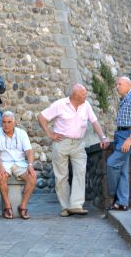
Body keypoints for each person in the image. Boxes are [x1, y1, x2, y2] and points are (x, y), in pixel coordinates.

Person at [38, 84, 110, 216]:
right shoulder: (60, 105)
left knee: (80, 172)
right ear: (75, 95)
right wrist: (50, 133)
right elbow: (41, 117)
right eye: (83, 93)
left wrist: (103, 137)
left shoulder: (86, 105)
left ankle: (76, 205)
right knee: (61, 176)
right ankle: (65, 207)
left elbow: (94, 122)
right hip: (61, 143)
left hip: (78, 144)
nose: (86, 95)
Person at [0, 111, 37, 219]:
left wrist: (30, 165)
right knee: (1, 177)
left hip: (19, 163)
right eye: (4, 122)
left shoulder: (21, 133)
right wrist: (0, 168)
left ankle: (23, 206)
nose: (6, 125)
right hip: (3, 163)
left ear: (14, 123)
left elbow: (29, 151)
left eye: (9, 122)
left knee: (32, 178)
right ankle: (7, 206)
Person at [107, 75, 131, 211]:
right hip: (119, 135)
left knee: (111, 163)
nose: (117, 87)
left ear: (128, 85)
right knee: (123, 171)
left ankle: (113, 194)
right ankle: (122, 202)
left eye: (119, 84)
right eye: (116, 84)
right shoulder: (124, 99)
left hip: (126, 136)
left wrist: (129, 139)